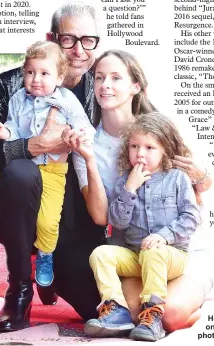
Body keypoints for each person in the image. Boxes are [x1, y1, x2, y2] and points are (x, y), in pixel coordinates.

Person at [0, 2, 100, 331]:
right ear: (53, 38)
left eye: (88, 40)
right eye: (68, 39)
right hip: (17, 200)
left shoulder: (102, 85)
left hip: (73, 216)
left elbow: (148, 132)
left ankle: (50, 279)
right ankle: (20, 289)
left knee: (96, 307)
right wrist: (30, 145)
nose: (78, 50)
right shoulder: (11, 85)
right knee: (20, 171)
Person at [63, 50, 213, 334]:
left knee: (170, 317)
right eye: (99, 78)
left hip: (179, 251)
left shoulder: (160, 131)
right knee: (134, 314)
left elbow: (201, 186)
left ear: (136, 86)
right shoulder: (89, 142)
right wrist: (91, 160)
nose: (105, 85)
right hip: (133, 249)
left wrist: (201, 174)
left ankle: (194, 305)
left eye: (116, 78)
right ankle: (125, 309)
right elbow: (102, 217)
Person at [0, 41, 95, 290]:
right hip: (23, 163)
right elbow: (14, 129)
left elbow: (85, 126)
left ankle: (46, 255)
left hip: (53, 170)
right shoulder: (17, 99)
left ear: (59, 77)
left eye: (44, 73)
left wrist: (75, 136)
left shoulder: (66, 100)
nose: (36, 79)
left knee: (48, 221)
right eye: (30, 72)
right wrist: (2, 131)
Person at [84, 113, 200, 341]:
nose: (140, 153)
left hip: (171, 256)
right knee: (100, 254)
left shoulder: (177, 178)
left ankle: (153, 316)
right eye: (134, 146)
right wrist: (129, 189)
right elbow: (117, 221)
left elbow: (191, 217)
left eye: (149, 147)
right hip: (137, 256)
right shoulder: (125, 180)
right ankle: (116, 311)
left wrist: (164, 237)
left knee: (154, 250)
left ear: (165, 149)